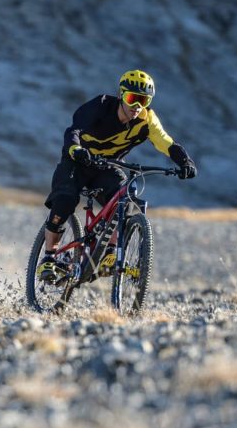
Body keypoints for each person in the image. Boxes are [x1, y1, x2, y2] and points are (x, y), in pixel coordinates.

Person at [38, 69, 197, 281]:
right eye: (132, 99)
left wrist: (185, 162)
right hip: (77, 161)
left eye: (144, 100)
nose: (137, 106)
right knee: (65, 200)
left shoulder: (147, 120)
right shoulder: (101, 106)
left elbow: (166, 142)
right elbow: (73, 131)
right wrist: (76, 150)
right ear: (122, 94)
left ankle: (111, 254)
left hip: (108, 167)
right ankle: (48, 257)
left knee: (126, 200)